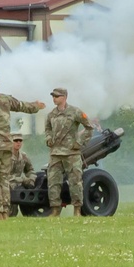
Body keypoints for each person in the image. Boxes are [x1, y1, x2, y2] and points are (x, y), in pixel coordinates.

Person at [0, 74, 46, 220]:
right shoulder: (6, 99)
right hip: (6, 147)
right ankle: (5, 212)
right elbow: (22, 106)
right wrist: (36, 106)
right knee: (4, 179)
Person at [44, 87, 94, 217]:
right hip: (55, 154)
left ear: (64, 97)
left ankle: (77, 209)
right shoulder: (51, 114)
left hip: (71, 154)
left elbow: (89, 127)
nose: (54, 98)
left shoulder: (75, 112)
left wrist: (79, 143)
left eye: (57, 96)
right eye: (53, 96)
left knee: (75, 182)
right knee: (53, 182)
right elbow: (47, 128)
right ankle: (55, 209)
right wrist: (48, 138)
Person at [7, 133, 38, 217]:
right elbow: (2, 174)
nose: (18, 143)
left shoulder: (23, 156)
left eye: (20, 140)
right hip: (7, 186)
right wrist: (21, 179)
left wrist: (31, 179)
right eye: (15, 141)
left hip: (19, 186)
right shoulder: (6, 156)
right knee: (10, 213)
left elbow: (30, 170)